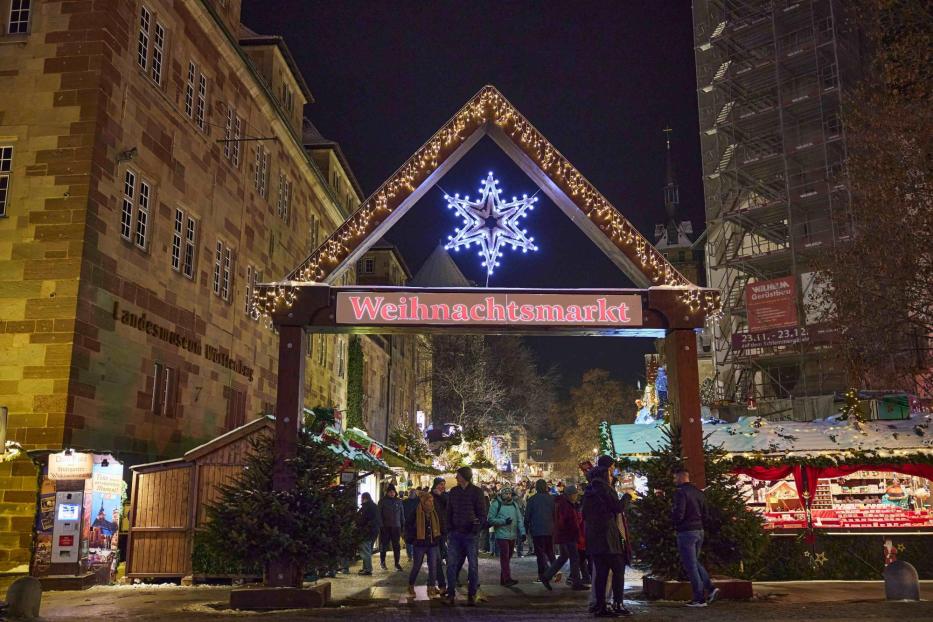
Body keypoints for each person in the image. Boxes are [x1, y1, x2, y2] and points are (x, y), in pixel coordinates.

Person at [583, 465, 631, 618]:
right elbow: (617, 508)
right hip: (608, 538)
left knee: (601, 573)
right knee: (618, 570)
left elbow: (584, 513)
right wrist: (627, 496)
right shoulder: (605, 489)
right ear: (604, 475)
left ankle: (600, 605)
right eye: (610, 474)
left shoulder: (589, 491)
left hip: (594, 538)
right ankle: (618, 603)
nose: (611, 477)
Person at [672, 468, 720, 607]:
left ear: (681, 477)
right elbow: (706, 513)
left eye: (675, 478)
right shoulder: (698, 492)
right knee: (694, 562)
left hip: (686, 532)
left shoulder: (681, 492)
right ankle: (710, 588)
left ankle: (699, 598)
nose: (674, 481)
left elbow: (679, 513)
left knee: (690, 565)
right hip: (699, 531)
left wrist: (674, 519)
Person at [444, 466, 485, 606]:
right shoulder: (454, 492)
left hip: (470, 535)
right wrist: (449, 529)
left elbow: (482, 514)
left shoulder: (477, 492)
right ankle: (450, 594)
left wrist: (475, 529)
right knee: (451, 565)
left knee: (473, 566)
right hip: (455, 533)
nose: (456, 477)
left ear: (464, 476)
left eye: (458, 475)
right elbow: (448, 512)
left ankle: (472, 594)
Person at [542, 484, 585, 590]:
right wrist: (574, 530)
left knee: (564, 557)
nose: (576, 497)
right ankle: (576, 583)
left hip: (564, 535)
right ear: (570, 495)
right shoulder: (565, 505)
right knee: (574, 558)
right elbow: (566, 521)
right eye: (575, 495)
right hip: (568, 535)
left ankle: (546, 576)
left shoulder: (564, 503)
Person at [405, 491, 442, 597]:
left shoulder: (434, 511)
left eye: (432, 500)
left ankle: (431, 587)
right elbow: (408, 525)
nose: (431, 502)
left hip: (432, 543)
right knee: (417, 565)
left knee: (433, 566)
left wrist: (439, 536)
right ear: (424, 501)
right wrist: (413, 537)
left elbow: (440, 524)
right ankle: (410, 586)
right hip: (420, 544)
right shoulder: (416, 512)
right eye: (429, 501)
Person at [487, 485, 525, 587]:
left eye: (509, 494)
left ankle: (503, 579)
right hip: (501, 535)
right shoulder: (496, 504)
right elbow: (490, 519)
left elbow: (519, 519)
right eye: (506, 494)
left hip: (512, 535)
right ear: (501, 494)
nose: (508, 496)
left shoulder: (514, 505)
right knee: (505, 556)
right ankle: (507, 579)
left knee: (508, 557)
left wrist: (523, 532)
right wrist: (503, 521)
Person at [526, 478, 556, 581]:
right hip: (549, 529)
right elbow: (555, 514)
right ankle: (554, 572)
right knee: (550, 552)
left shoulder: (532, 499)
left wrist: (526, 528)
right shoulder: (551, 499)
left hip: (537, 530)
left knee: (540, 554)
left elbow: (527, 515)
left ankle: (542, 574)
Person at [378, 484, 405, 571]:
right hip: (385, 527)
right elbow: (379, 514)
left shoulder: (399, 501)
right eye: (390, 492)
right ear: (387, 492)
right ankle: (382, 562)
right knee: (384, 545)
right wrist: (381, 525)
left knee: (396, 546)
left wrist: (403, 525)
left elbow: (402, 514)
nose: (392, 493)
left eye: (393, 492)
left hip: (396, 527)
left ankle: (397, 563)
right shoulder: (382, 501)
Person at [430, 477, 449, 593]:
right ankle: (441, 585)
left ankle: (435, 584)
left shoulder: (445, 496)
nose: (442, 486)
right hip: (433, 533)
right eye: (440, 484)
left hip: (443, 532)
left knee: (442, 558)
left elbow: (448, 504)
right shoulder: (429, 497)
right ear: (435, 485)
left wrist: (441, 495)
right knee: (436, 559)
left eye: (444, 484)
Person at [357, 492, 381, 576]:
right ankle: (365, 568)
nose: (361, 500)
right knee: (368, 549)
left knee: (365, 550)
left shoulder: (367, 507)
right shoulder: (374, 506)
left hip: (367, 531)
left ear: (364, 498)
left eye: (362, 498)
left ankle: (367, 569)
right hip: (374, 530)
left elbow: (363, 519)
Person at [403, 489, 421, 561]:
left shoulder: (419, 502)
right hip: (407, 523)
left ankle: (414, 554)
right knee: (408, 540)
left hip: (417, 523)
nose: (411, 494)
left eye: (412, 493)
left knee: (416, 540)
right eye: (410, 492)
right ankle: (410, 556)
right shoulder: (404, 502)